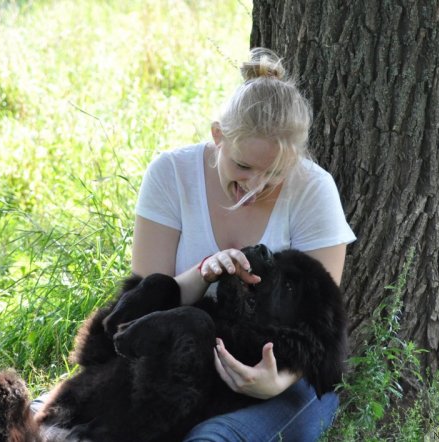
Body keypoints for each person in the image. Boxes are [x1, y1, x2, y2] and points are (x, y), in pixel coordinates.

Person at [132, 47, 356, 441]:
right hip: (181, 363)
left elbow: (322, 327)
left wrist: (276, 382)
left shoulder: (313, 189)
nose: (254, 186)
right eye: (243, 166)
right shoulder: (171, 174)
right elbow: (143, 305)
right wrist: (204, 273)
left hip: (287, 379)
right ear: (218, 137)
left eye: (273, 173)